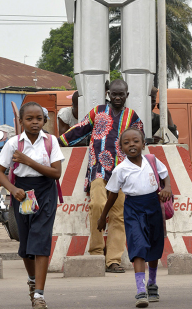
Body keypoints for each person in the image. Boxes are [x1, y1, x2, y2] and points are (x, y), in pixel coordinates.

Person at [59, 78, 143, 273]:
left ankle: (112, 260)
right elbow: (79, 130)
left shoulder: (133, 117)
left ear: (127, 95)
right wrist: (58, 142)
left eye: (121, 94)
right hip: (98, 170)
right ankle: (97, 254)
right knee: (97, 206)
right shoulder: (97, 112)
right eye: (114, 94)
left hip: (123, 175)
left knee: (118, 215)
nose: (117, 97)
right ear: (108, 94)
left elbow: (139, 143)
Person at [0, 102, 64, 309]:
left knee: (41, 240)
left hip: (45, 192)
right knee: (26, 246)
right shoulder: (13, 143)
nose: (35, 123)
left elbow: (56, 173)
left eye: (39, 119)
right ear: (21, 121)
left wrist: (27, 161)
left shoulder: (51, 142)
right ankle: (32, 281)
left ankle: (39, 295)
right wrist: (12, 189)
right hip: (22, 194)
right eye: (29, 119)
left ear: (44, 121)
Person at [97, 127, 171, 308]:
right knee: (137, 245)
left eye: (136, 141)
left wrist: (167, 188)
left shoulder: (152, 160)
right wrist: (103, 216)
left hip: (153, 206)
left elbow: (165, 174)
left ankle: (152, 283)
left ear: (143, 144)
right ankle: (140, 290)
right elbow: (112, 194)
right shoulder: (120, 170)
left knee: (154, 245)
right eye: (126, 142)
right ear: (121, 148)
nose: (131, 145)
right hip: (133, 210)